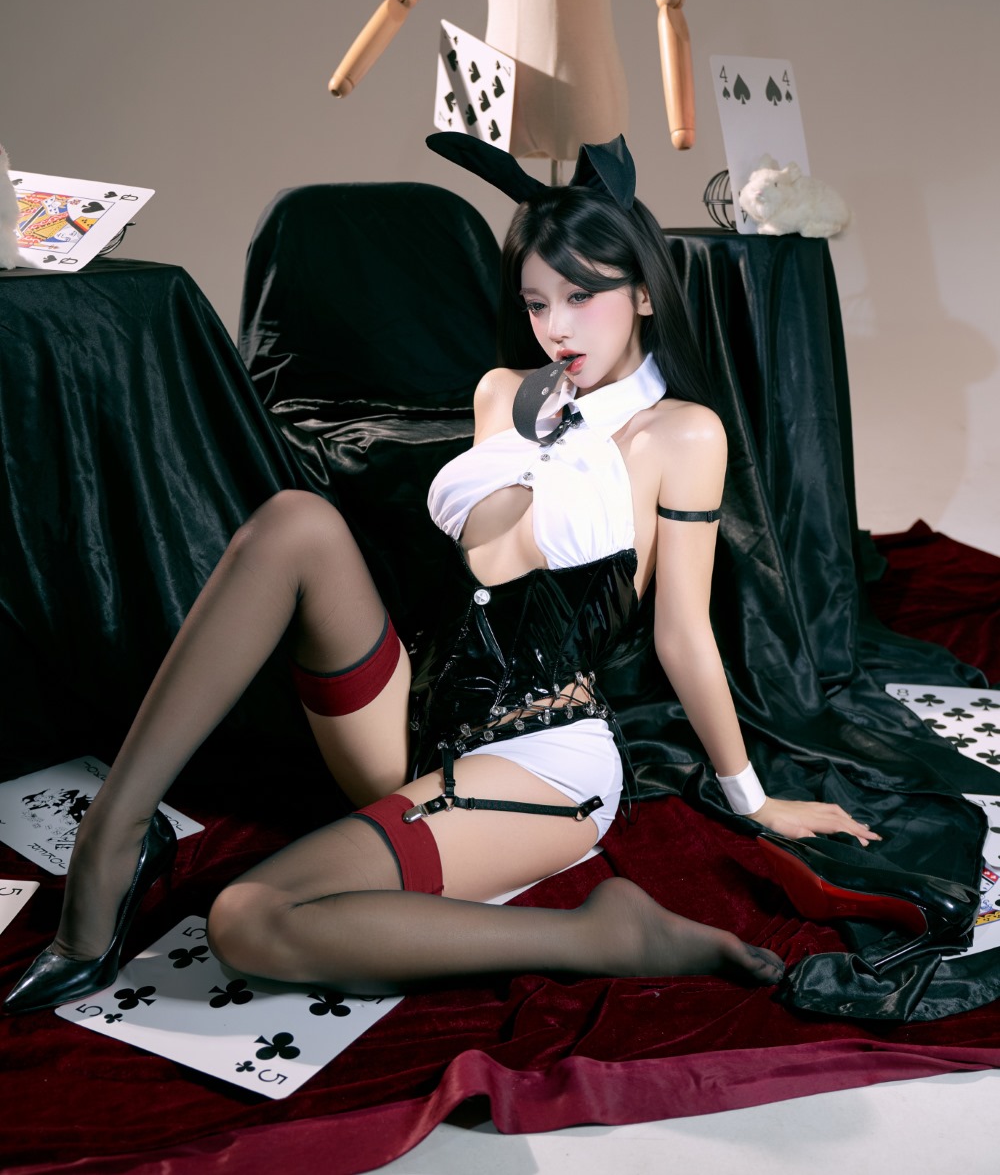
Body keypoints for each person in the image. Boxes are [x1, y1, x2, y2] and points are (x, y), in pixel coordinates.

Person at [5, 134, 879, 1016]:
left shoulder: (682, 435)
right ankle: (115, 835)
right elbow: (486, 560)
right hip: (418, 717)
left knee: (248, 921)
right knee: (295, 522)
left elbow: (678, 629)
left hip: (541, 755)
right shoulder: (506, 391)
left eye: (582, 296)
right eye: (537, 302)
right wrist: (537, 426)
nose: (557, 327)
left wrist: (752, 798)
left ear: (645, 293)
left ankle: (602, 934)